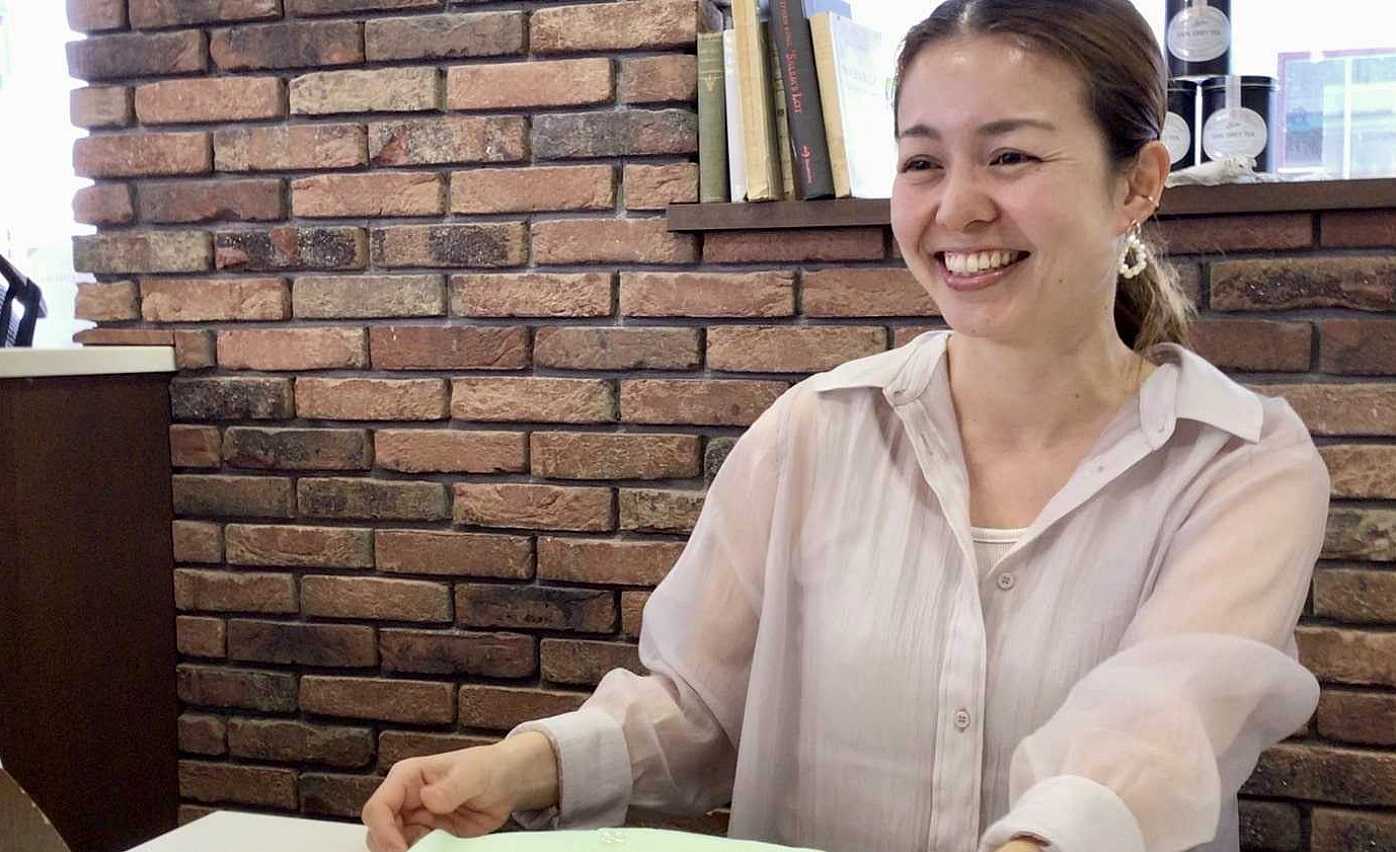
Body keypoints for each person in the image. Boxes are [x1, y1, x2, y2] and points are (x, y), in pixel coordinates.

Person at [361, 1, 1330, 850]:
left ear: (1138, 183)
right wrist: (521, 766)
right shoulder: (814, 431)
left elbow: (1155, 731)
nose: (958, 207)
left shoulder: (1239, 464)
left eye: (1011, 156)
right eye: (922, 162)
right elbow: (698, 706)